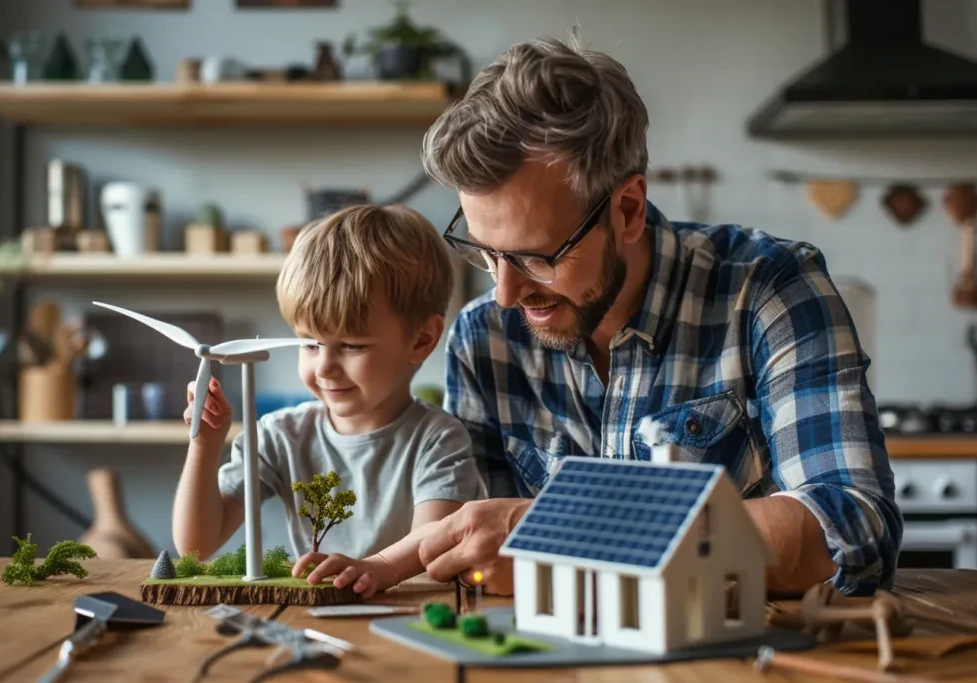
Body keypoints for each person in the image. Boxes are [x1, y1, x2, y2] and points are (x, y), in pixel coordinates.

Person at [416, 35, 901, 598]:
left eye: (536, 256)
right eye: (486, 251)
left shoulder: (768, 291)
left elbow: (851, 528)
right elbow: (485, 564)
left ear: (626, 209)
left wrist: (574, 534)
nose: (505, 292)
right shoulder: (484, 339)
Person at [171, 204, 486, 598]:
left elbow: (433, 542)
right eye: (310, 343)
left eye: (351, 346)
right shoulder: (280, 436)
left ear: (422, 340)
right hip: (314, 616)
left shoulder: (438, 440)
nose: (325, 368)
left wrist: (377, 568)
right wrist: (204, 445)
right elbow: (195, 547)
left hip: (407, 619)